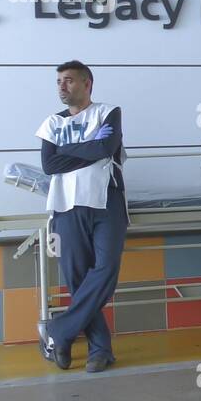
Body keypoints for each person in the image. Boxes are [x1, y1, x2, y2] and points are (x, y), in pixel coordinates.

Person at [35, 60, 126, 373]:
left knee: (106, 270)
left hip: (107, 202)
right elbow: (49, 165)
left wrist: (72, 151)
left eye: (69, 80)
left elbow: (106, 147)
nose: (62, 86)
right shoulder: (51, 123)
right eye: (59, 81)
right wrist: (90, 148)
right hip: (65, 205)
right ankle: (99, 350)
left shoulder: (108, 112)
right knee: (78, 278)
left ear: (87, 84)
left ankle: (59, 331)